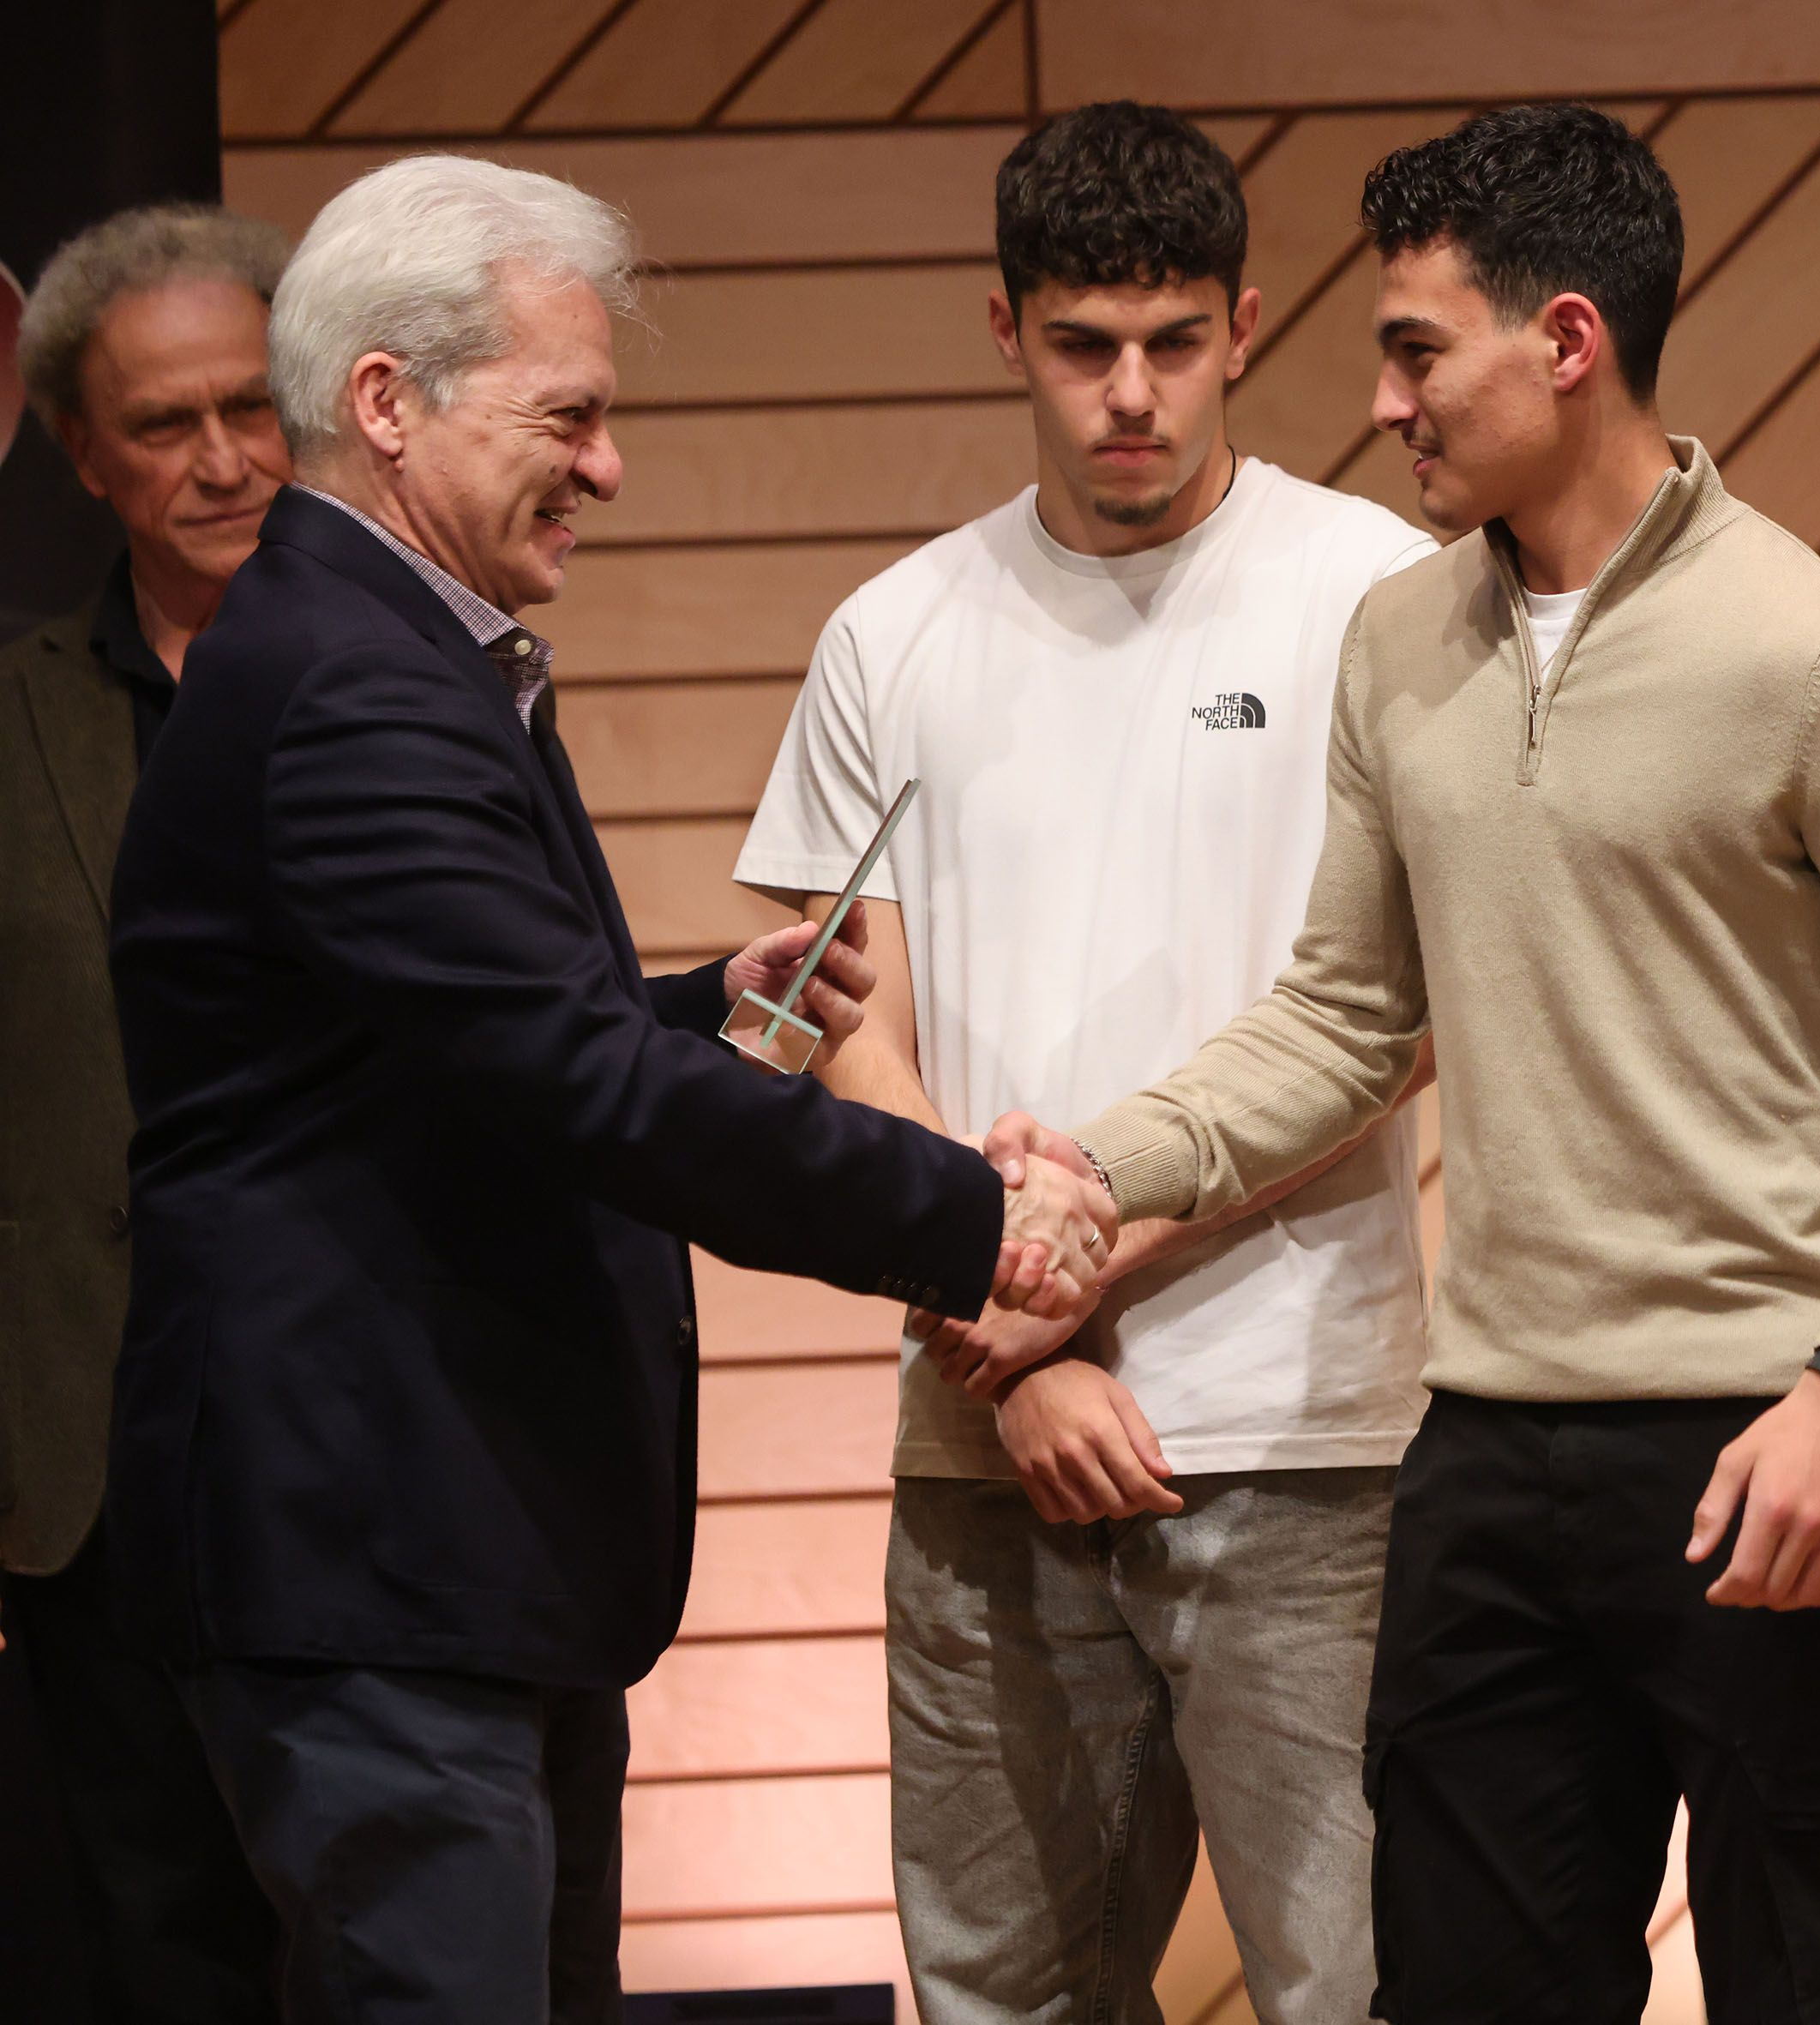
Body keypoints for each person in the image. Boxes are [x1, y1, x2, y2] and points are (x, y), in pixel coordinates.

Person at [977, 105, 1820, 2020]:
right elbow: (1344, 1016)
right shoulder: (1399, 639)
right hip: (1484, 1456)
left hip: (1781, 1432)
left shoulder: (1813, 656)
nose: (1382, 401)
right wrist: (1090, 1167)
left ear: (1566, 341)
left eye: (1416, 351)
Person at [100, 154, 1114, 2024]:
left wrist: (694, 1010)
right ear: (388, 401)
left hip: (453, 1554)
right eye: (566, 417)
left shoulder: (382, 649)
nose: (610, 465)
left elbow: (442, 1048)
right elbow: (571, 1082)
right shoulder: (352, 681)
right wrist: (977, 1218)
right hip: (378, 1550)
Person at [733, 103, 1436, 2025]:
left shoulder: (1378, 592)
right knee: (999, 1997)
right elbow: (841, 1020)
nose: (1131, 393)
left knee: (1356, 1989)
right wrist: (1014, 1337)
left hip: (1304, 1436)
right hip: (979, 1436)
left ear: (1245, 325)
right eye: (1081, 344)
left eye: (1175, 340)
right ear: (1005, 329)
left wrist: (1078, 1270)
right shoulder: (892, 631)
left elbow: (1401, 1017)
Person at [0, 201, 289, 2025]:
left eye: (250, 407)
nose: (221, 460)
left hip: (371, 1455)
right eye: (166, 424)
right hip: (93, 1477)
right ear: (80, 450)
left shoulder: (446, 691)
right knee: (163, 1964)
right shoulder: (8, 714)